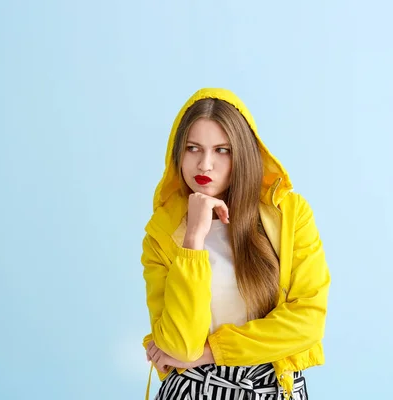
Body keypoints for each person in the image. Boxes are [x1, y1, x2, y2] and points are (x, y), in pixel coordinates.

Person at [141, 88, 330, 400]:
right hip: (193, 391)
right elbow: (179, 345)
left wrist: (211, 352)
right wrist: (193, 241)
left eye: (222, 150)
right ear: (178, 153)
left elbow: (307, 323)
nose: (205, 165)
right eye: (193, 148)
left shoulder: (290, 215)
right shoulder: (162, 235)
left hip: (273, 389)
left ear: (242, 153)